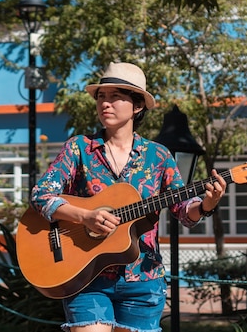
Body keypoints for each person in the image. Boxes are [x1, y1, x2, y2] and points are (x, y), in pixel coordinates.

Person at [29, 62, 227, 332]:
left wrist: (207, 204)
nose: (105, 104)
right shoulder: (79, 148)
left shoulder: (158, 156)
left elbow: (184, 212)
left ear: (137, 106)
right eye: (101, 97)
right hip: (86, 277)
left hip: (143, 280)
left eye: (115, 97)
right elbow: (41, 195)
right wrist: (85, 216)